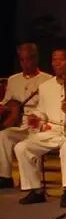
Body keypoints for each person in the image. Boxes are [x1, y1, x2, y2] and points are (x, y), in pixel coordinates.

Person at [15, 45, 66, 207]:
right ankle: (36, 190)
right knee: (22, 147)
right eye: (54, 60)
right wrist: (36, 117)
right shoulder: (45, 86)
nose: (56, 63)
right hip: (52, 133)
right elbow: (42, 111)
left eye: (61, 60)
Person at [0, 43, 52, 189]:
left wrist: (39, 118)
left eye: (28, 59)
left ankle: (32, 180)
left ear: (36, 59)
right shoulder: (13, 80)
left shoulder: (47, 79)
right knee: (4, 135)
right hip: (20, 123)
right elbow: (7, 102)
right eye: (22, 59)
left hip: (39, 124)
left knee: (34, 141)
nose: (25, 63)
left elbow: (50, 106)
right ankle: (4, 176)